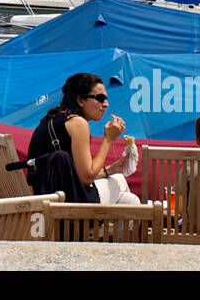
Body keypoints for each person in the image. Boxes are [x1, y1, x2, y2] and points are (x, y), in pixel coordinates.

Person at [26, 73, 136, 204]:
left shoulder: (54, 119)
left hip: (48, 198)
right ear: (80, 100)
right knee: (119, 181)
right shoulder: (78, 123)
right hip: (65, 206)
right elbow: (86, 177)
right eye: (100, 98)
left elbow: (75, 174)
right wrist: (108, 139)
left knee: (130, 201)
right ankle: (96, 223)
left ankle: (99, 224)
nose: (106, 104)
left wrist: (110, 170)